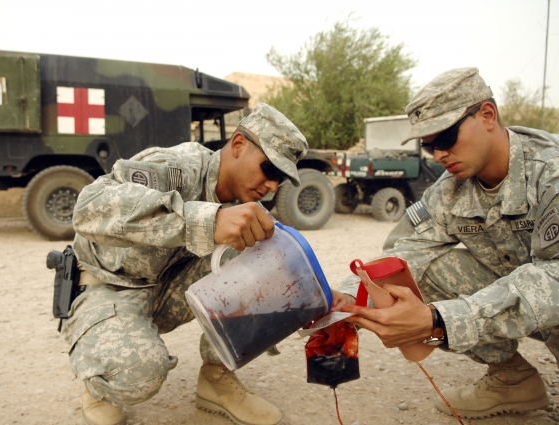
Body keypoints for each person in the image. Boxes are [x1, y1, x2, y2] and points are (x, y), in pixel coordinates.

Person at [63, 103, 309, 425]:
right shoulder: (177, 167)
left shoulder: (242, 204)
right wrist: (206, 221)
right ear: (238, 145)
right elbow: (88, 208)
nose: (274, 186)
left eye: (282, 179)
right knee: (138, 374)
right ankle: (102, 383)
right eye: (271, 170)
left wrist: (320, 300)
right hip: (108, 286)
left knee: (265, 256)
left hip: (166, 291)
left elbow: (281, 271)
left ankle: (217, 380)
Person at [336, 67, 559, 419]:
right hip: (525, 309)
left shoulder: (551, 172)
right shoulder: (449, 190)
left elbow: (554, 278)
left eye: (446, 138)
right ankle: (513, 380)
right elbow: (402, 254)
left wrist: (441, 320)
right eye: (428, 146)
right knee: (415, 275)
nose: (438, 155)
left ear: (487, 114)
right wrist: (350, 297)